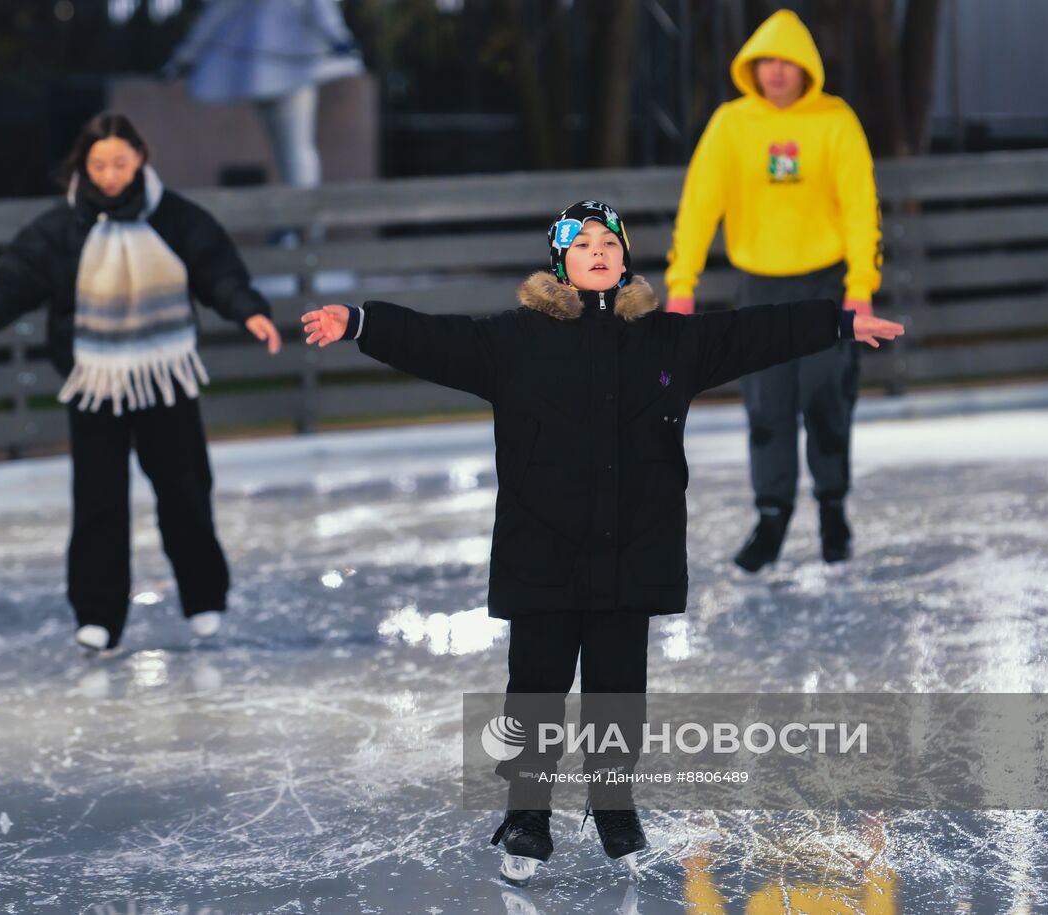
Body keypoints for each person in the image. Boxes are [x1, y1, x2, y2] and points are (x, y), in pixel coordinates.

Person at [301, 200, 903, 883]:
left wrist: (838, 319)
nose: (596, 252)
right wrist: (361, 322)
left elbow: (751, 332)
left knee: (618, 690)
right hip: (543, 552)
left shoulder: (664, 340)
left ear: (623, 260)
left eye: (608, 243)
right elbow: (435, 340)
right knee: (535, 690)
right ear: (560, 260)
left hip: (629, 550)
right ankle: (527, 814)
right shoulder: (513, 341)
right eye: (581, 243)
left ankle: (613, 802)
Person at [0, 112, 281, 652]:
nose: (110, 175)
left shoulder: (174, 218)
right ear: (83, 166)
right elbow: (12, 283)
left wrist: (248, 311)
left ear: (141, 157)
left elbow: (218, 272)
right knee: (98, 500)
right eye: (98, 165)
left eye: (120, 162)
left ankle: (204, 598)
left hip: (166, 377)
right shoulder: (61, 228)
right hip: (94, 383)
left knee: (185, 491)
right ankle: (97, 613)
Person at [664, 9, 883, 573]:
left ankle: (833, 508)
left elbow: (861, 207)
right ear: (752, 69)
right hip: (760, 285)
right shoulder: (731, 125)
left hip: (825, 285)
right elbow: (698, 206)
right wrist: (680, 286)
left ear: (807, 67)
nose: (777, 73)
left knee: (826, 396)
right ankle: (772, 516)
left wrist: (861, 287)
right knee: (768, 406)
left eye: (787, 63)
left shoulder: (836, 121)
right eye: (767, 64)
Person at [162, 0, 364, 243]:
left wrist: (338, 37)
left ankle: (305, 228)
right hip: (265, 66)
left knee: (295, 151)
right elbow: (219, 11)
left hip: (288, 63)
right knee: (290, 152)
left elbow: (320, 7)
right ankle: (299, 227)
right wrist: (185, 56)